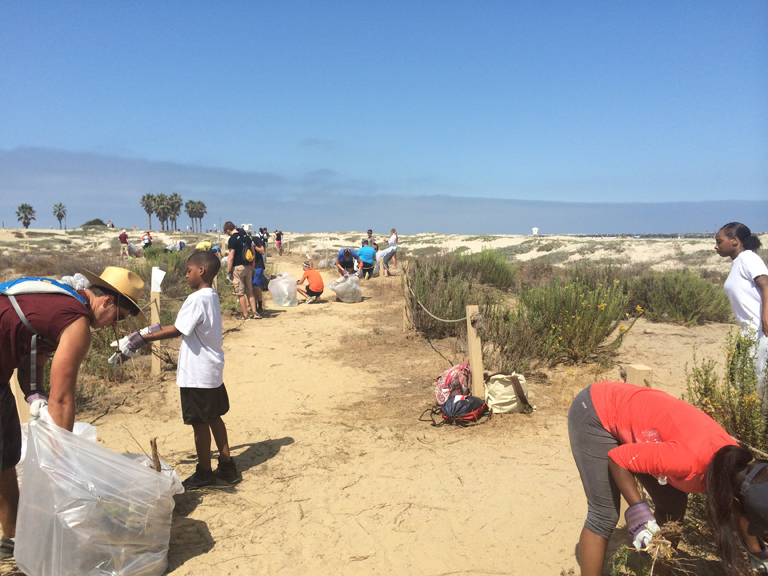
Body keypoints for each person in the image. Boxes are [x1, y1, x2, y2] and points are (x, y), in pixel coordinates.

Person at [0, 266, 145, 560]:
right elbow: (63, 399)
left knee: (6, 458)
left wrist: (33, 395)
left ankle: (12, 539)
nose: (111, 326)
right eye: (117, 318)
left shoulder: (58, 299)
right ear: (106, 302)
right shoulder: (76, 322)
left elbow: (34, 354)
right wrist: (60, 460)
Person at [569, 381, 768, 576]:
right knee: (604, 516)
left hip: (640, 417)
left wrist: (758, 552)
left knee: (672, 507)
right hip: (596, 411)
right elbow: (619, 459)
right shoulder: (689, 461)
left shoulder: (740, 461)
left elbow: (739, 504)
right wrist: (639, 514)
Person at [115, 251, 240, 490]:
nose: (185, 275)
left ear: (201, 271)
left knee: (199, 424)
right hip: (211, 370)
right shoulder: (211, 296)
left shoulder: (196, 299)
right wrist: (143, 333)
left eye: (188, 270)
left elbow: (178, 329)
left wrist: (141, 338)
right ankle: (227, 465)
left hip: (197, 375)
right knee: (214, 417)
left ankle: (205, 471)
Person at [715, 222, 768, 403]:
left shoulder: (748, 258)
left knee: (757, 386)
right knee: (738, 379)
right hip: (750, 333)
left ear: (735, 240)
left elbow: (766, 285)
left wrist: (766, 316)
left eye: (719, 241)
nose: (716, 246)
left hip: (761, 333)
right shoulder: (739, 262)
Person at [224, 221, 258, 320]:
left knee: (240, 292)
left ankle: (245, 315)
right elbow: (253, 251)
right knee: (249, 291)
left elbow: (231, 257)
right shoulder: (246, 237)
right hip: (248, 267)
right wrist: (253, 265)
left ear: (228, 230)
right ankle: (255, 313)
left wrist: (228, 271)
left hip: (238, 267)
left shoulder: (232, 239)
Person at [249, 231, 267, 316]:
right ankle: (253, 307)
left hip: (258, 266)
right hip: (249, 267)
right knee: (250, 287)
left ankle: (260, 306)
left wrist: (254, 246)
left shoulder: (255, 239)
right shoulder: (243, 241)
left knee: (256, 286)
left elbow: (262, 251)